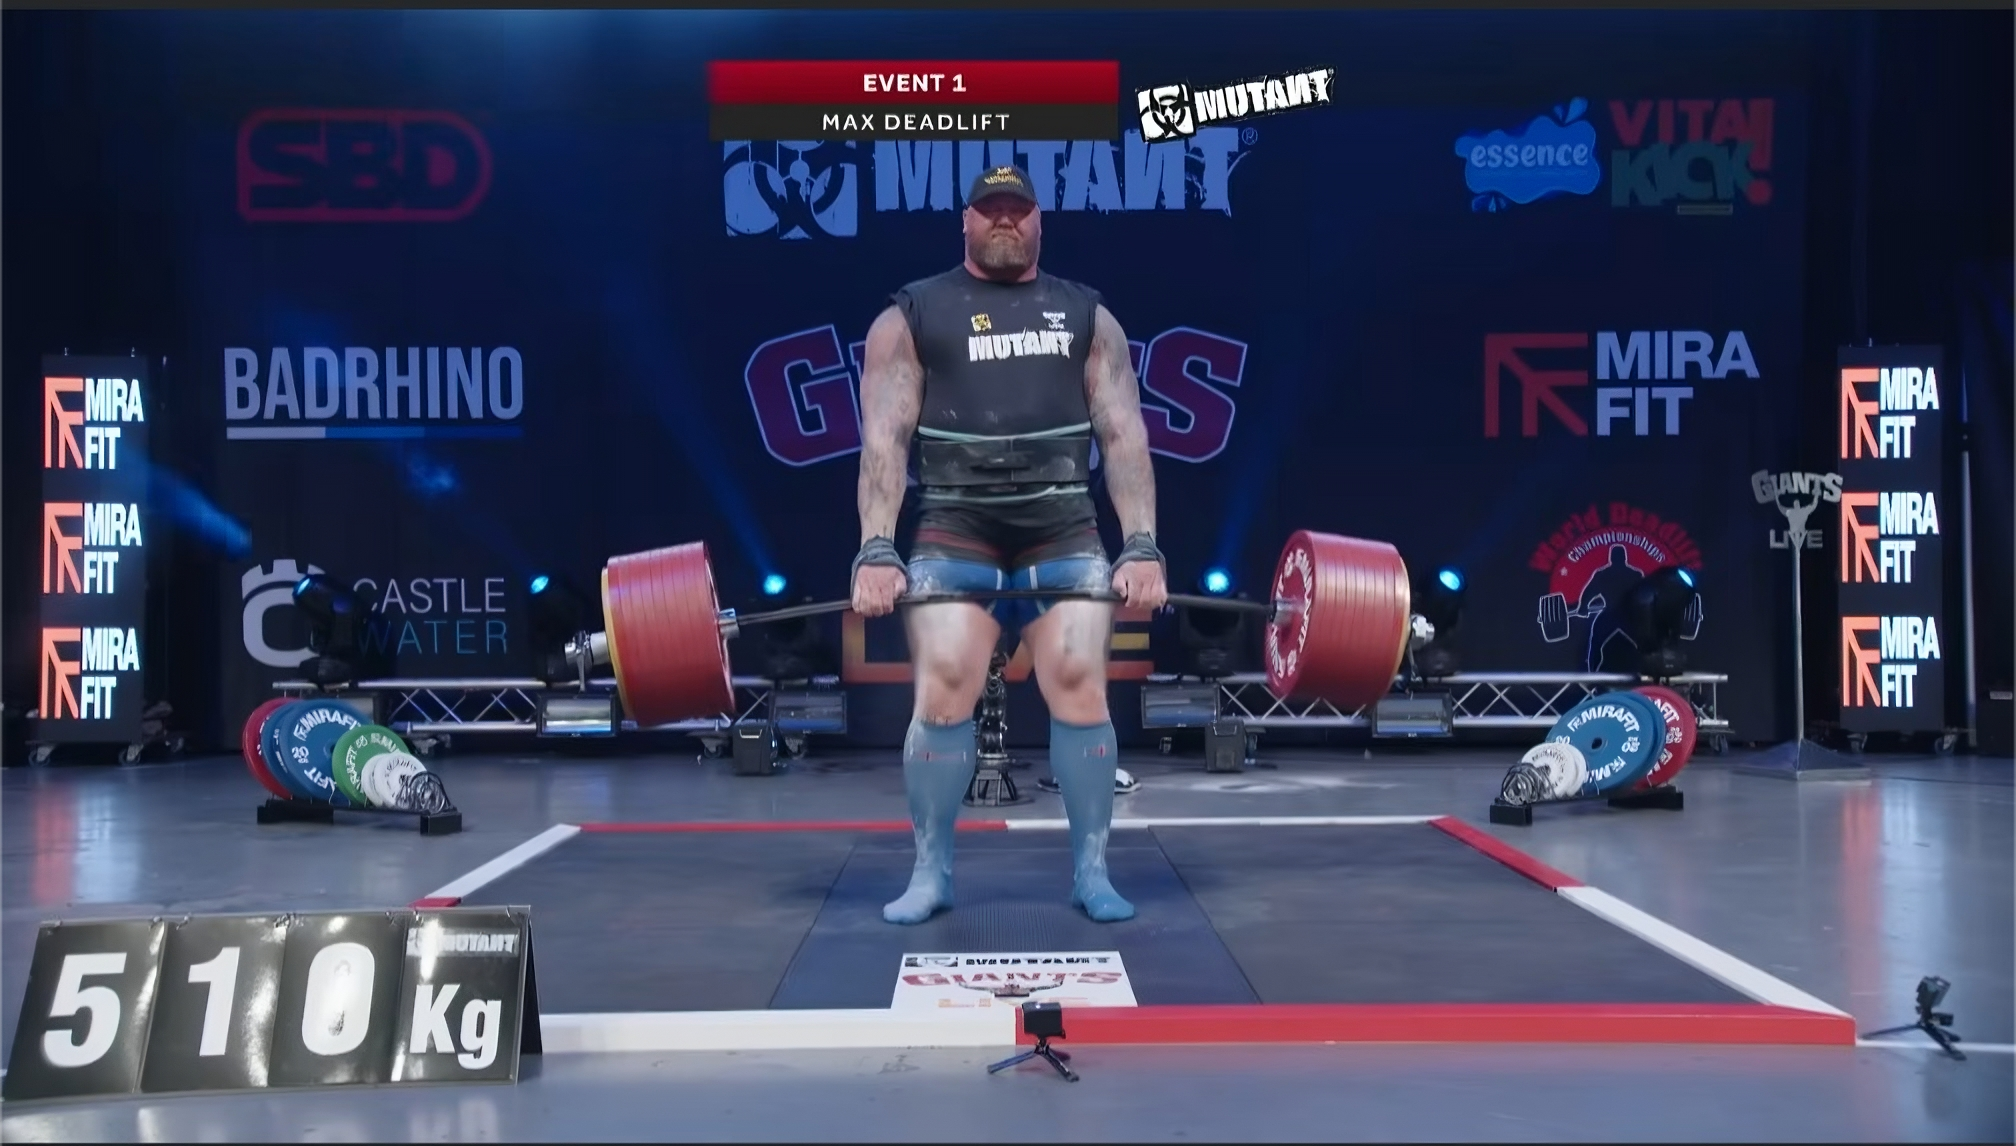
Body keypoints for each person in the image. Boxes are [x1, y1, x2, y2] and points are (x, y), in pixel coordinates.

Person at [850, 164, 1168, 925]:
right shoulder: (911, 315)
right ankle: (931, 872)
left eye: (1017, 211)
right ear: (964, 221)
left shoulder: (1087, 316)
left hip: (1062, 524)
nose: (1004, 221)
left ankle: (1092, 872)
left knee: (1079, 682)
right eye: (990, 209)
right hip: (955, 524)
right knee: (943, 685)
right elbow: (885, 441)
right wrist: (876, 548)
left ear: (1038, 223)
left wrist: (1142, 544)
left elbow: (1123, 436)